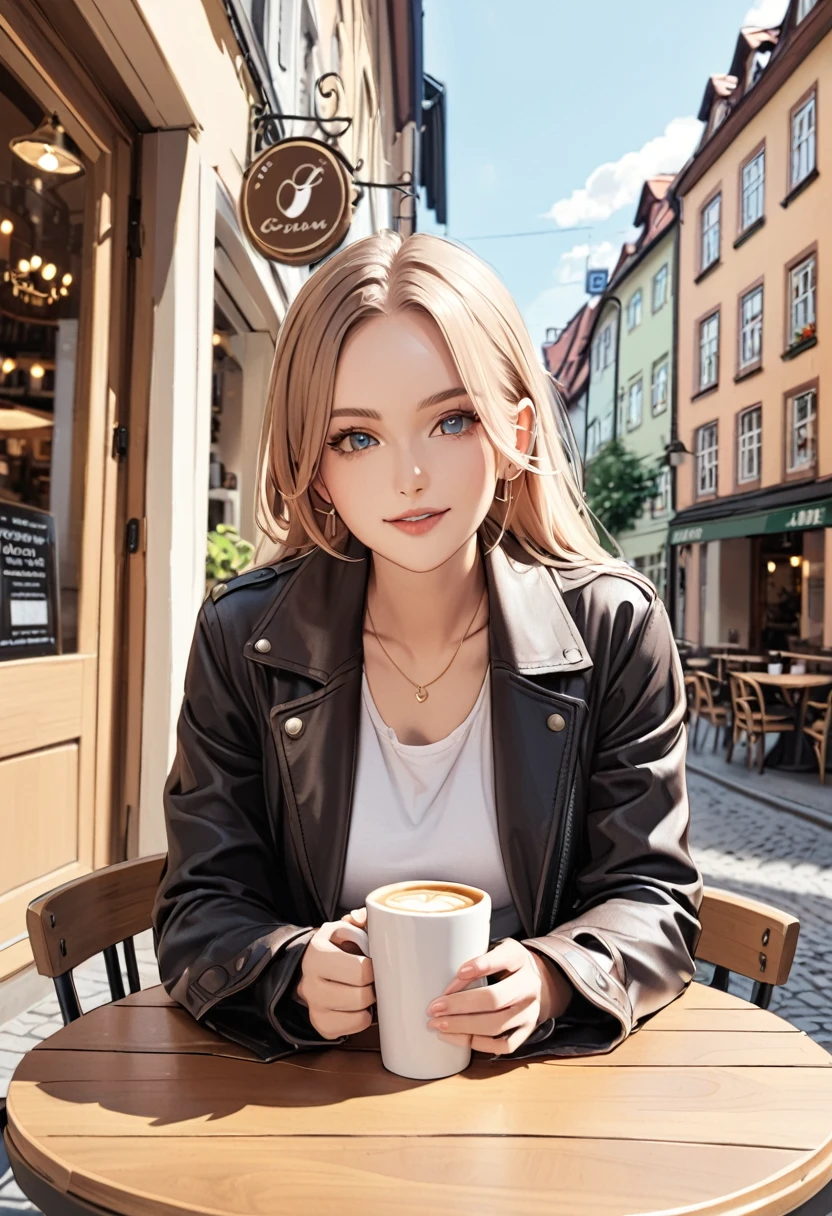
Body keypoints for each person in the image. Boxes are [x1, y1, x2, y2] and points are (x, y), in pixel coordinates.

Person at [152, 230, 703, 1062]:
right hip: (297, 1100)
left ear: (513, 429)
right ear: (313, 462)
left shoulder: (614, 629)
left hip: (541, 1092)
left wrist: (552, 978)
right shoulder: (241, 638)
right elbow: (200, 901)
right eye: (357, 437)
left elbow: (654, 894)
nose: (409, 475)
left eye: (450, 420)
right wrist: (289, 971)